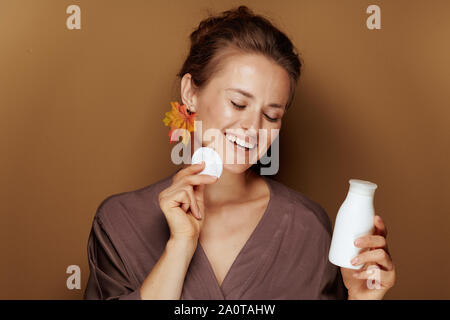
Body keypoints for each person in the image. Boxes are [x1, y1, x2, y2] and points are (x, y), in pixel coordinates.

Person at [84, 5, 395, 300]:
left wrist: (361, 298)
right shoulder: (119, 223)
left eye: (272, 115)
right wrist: (180, 246)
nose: (252, 126)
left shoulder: (308, 228)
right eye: (238, 103)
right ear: (191, 93)